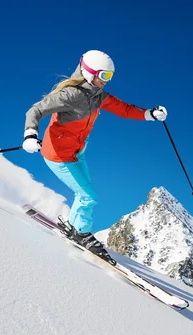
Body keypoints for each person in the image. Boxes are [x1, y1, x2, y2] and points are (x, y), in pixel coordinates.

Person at [23, 49, 167, 256]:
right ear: (90, 74)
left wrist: (150, 114)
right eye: (104, 76)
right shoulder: (71, 95)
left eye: (110, 76)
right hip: (58, 155)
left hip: (76, 153)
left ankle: (75, 227)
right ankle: (81, 233)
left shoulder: (99, 96)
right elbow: (35, 110)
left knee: (84, 194)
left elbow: (124, 109)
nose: (107, 81)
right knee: (87, 196)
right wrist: (30, 135)